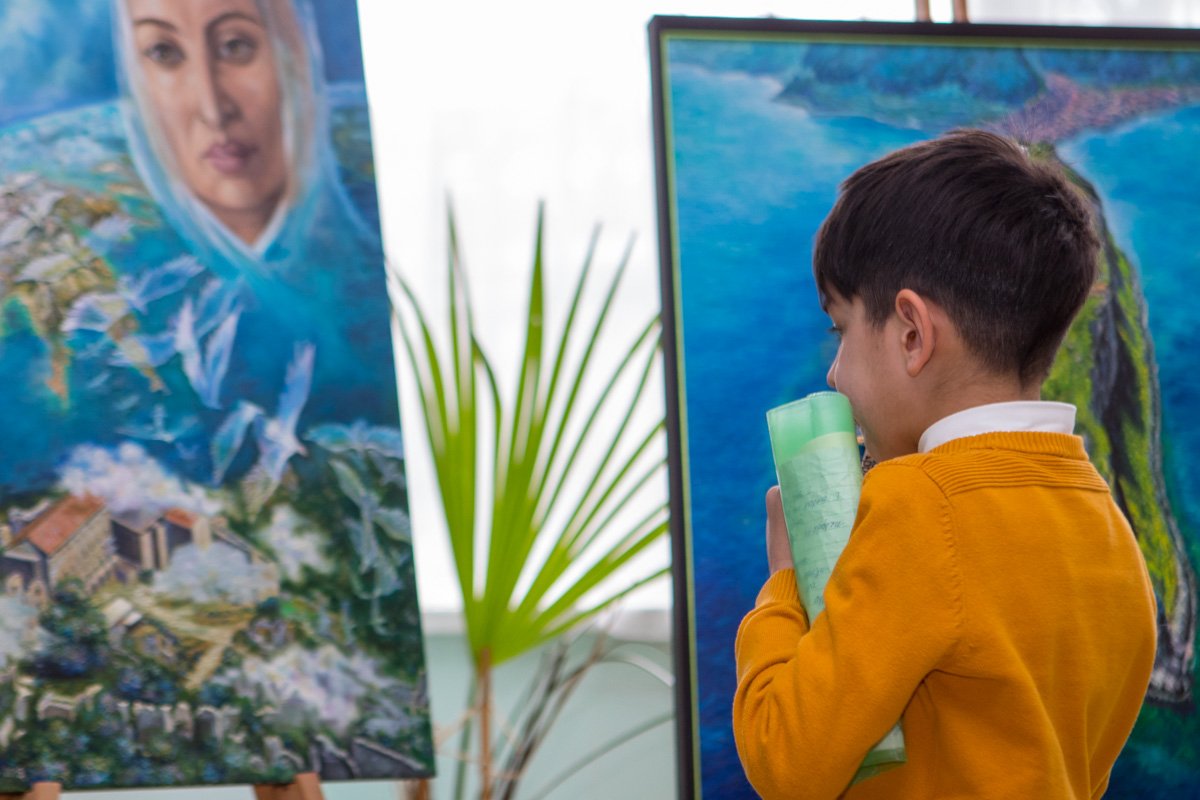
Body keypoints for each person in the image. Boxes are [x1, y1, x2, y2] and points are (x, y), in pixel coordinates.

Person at [733, 129, 1157, 799]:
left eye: (840, 330)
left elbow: (786, 757)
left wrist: (784, 583)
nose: (835, 374)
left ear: (911, 333)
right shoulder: (1108, 525)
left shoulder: (917, 506)